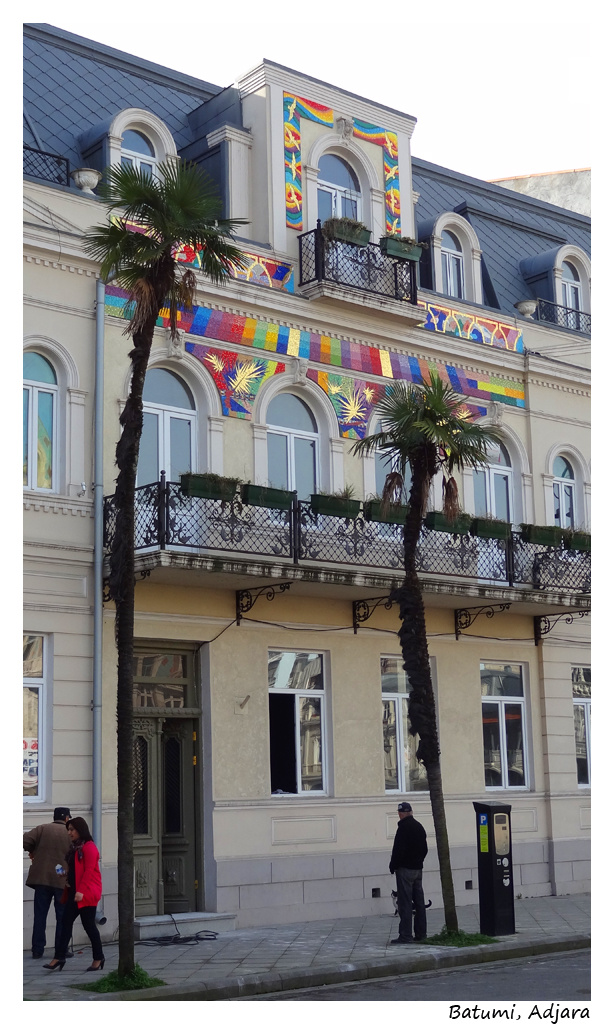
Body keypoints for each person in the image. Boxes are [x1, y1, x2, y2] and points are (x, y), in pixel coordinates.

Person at [43, 817, 104, 973]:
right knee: (65, 923)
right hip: (74, 892)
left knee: (89, 926)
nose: (69, 833)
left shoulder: (89, 847)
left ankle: (99, 958)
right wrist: (62, 873)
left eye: (72, 830)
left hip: (86, 894)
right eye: (68, 830)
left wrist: (81, 891)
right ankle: (59, 957)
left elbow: (89, 871)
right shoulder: (76, 848)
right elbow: (75, 872)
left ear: (80, 830)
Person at [23, 807, 72, 959]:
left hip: (42, 879)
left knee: (40, 915)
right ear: (66, 819)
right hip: (61, 879)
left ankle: (37, 950)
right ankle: (61, 950)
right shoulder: (70, 833)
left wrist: (33, 850)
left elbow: (25, 841)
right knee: (62, 917)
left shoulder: (42, 829)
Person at [389, 801, 428, 944]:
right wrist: (419, 862)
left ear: (400, 814)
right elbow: (425, 849)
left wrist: (393, 866)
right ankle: (421, 933)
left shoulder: (403, 829)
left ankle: (405, 935)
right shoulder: (419, 827)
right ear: (411, 812)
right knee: (419, 903)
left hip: (405, 870)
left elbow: (398, 850)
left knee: (405, 903)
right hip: (418, 870)